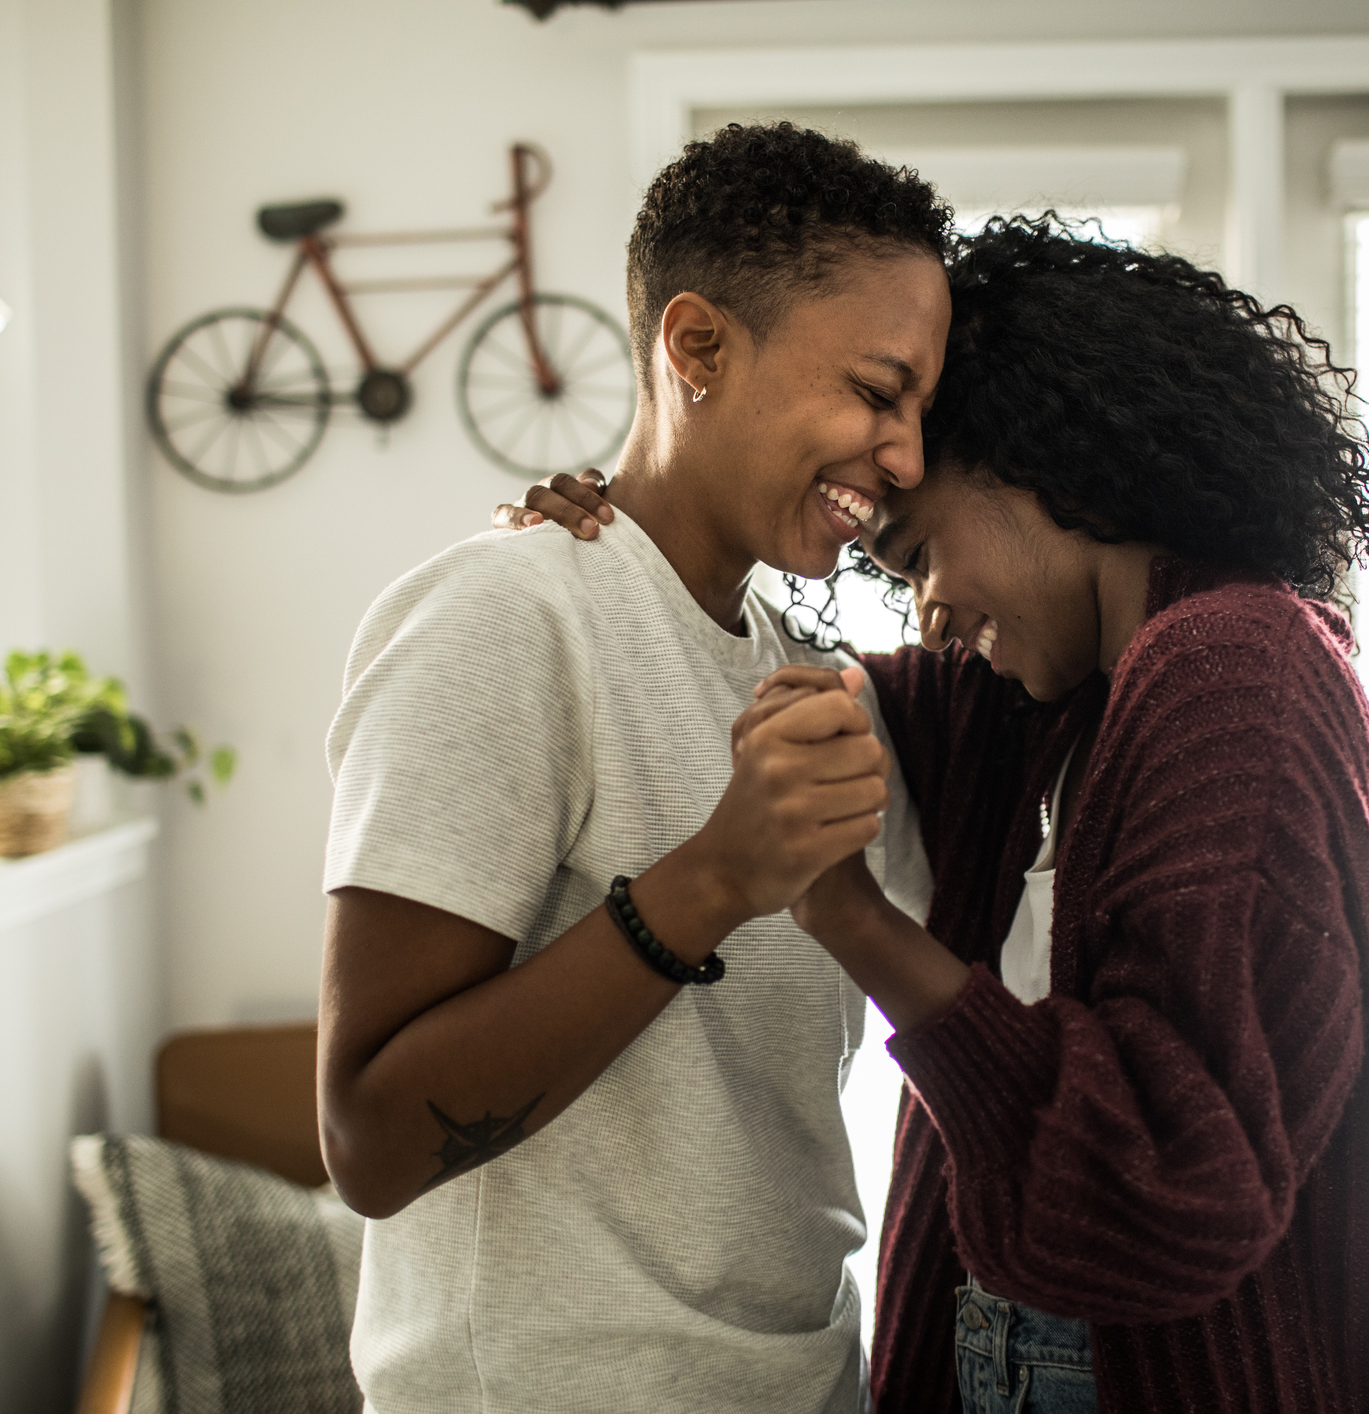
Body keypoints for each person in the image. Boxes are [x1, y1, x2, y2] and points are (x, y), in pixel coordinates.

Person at [505, 217, 1369, 1412]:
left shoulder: (1237, 669)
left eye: (920, 555)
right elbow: (790, 690)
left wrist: (851, 919)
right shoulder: (1043, 705)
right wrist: (618, 542)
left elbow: (1172, 1179)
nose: (928, 614)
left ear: (1045, 460)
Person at [318, 122, 951, 1414]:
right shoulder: (505, 616)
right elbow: (370, 1143)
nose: (906, 456)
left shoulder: (809, 673)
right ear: (698, 346)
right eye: (878, 392)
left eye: (923, 412)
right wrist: (711, 878)